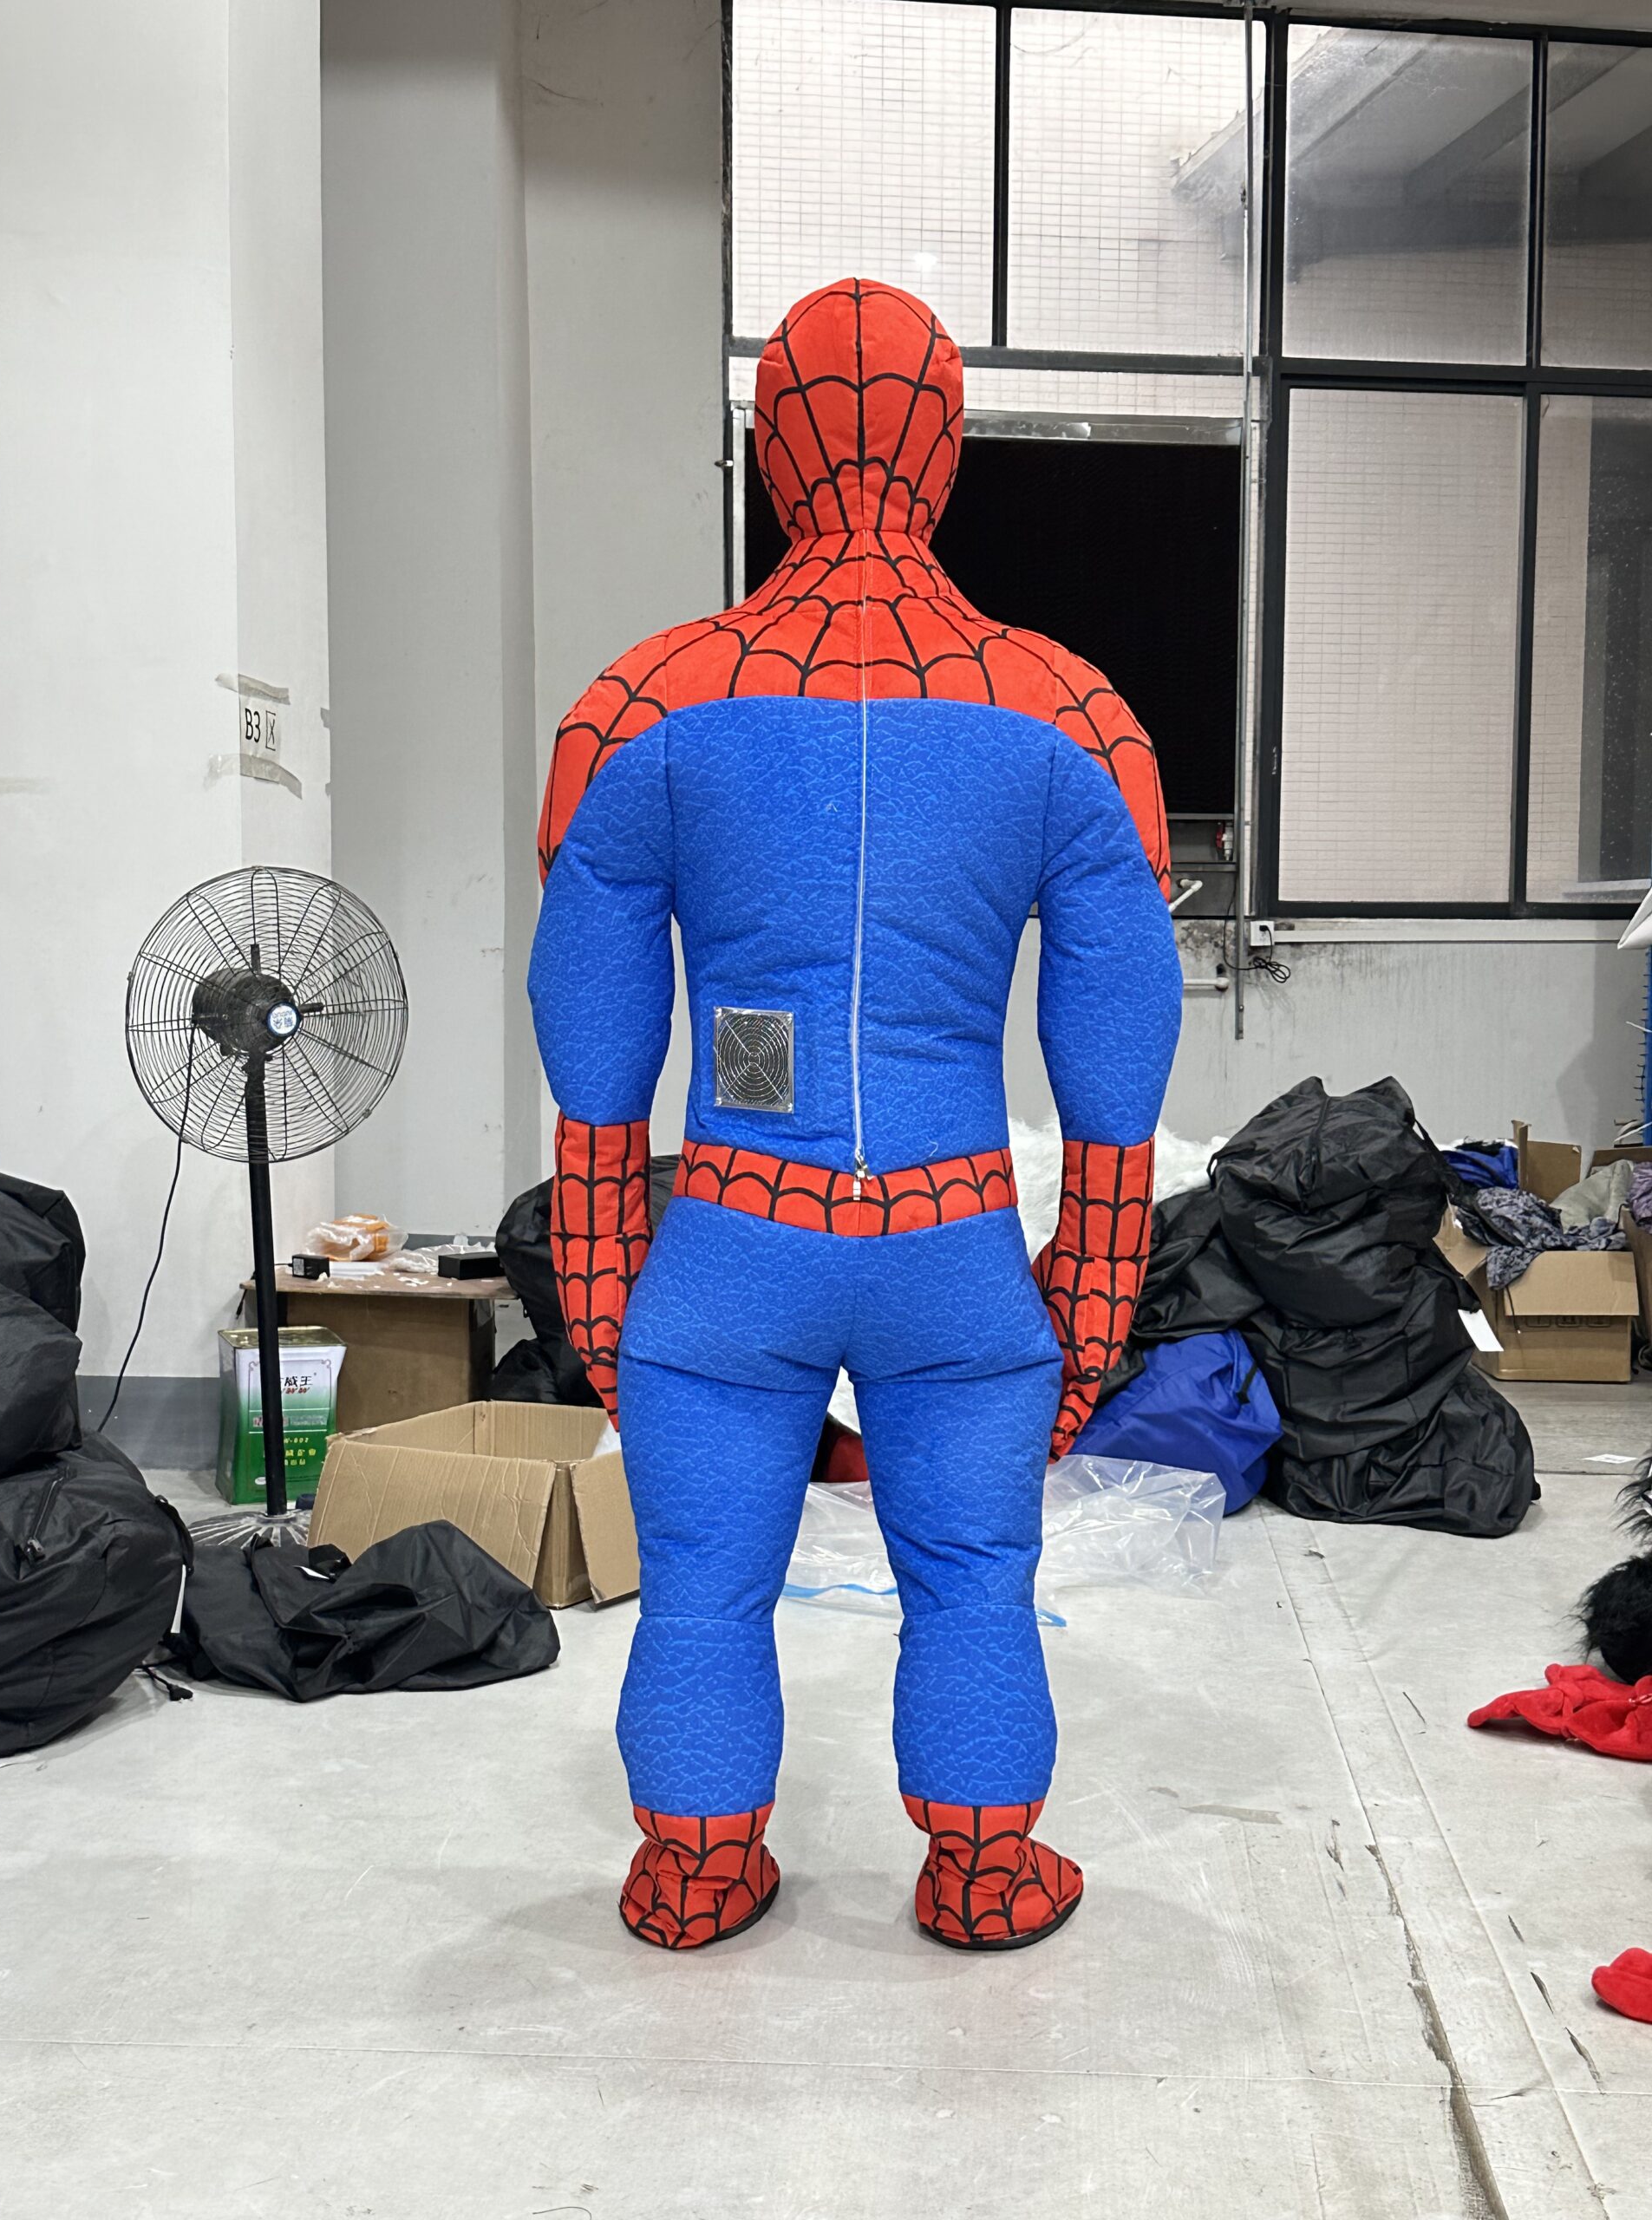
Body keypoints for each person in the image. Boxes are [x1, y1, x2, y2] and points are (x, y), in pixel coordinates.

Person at [532, 278, 1180, 1950]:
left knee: (701, 1583)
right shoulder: (1071, 715)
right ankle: (983, 1867)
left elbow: (594, 1045)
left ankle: (694, 1868)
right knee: (973, 1577)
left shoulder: (643, 707)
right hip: (953, 1239)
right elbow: (1115, 1057)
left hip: (731, 1236)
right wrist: (1095, 1283)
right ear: (950, 451)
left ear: (772, 452)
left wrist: (600, 1275)